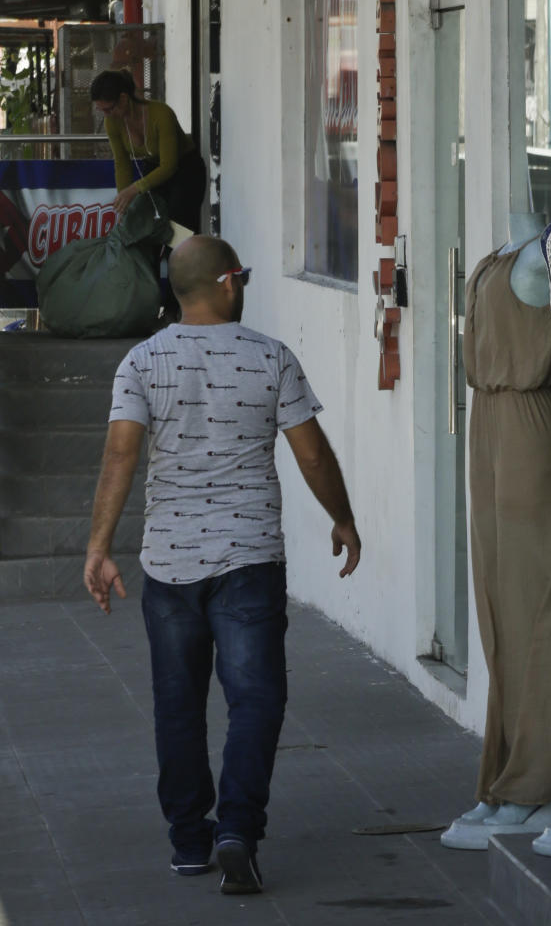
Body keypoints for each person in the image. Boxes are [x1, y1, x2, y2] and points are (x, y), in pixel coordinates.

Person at [83, 234, 361, 894]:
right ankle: (237, 826)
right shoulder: (272, 356)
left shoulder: (141, 361)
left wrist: (98, 546)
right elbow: (313, 454)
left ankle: (189, 840)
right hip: (248, 560)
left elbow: (120, 455)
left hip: (169, 564)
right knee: (257, 697)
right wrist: (343, 518)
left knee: (178, 705)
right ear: (229, 282)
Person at [91, 69, 206, 232]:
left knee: (179, 227)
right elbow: (122, 164)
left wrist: (133, 190)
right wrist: (124, 204)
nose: (106, 116)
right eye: (101, 110)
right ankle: (161, 256)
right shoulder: (112, 123)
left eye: (108, 109)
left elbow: (169, 166)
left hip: (185, 168)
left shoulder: (161, 114)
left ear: (123, 99)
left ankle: (183, 256)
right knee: (149, 223)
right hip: (154, 168)